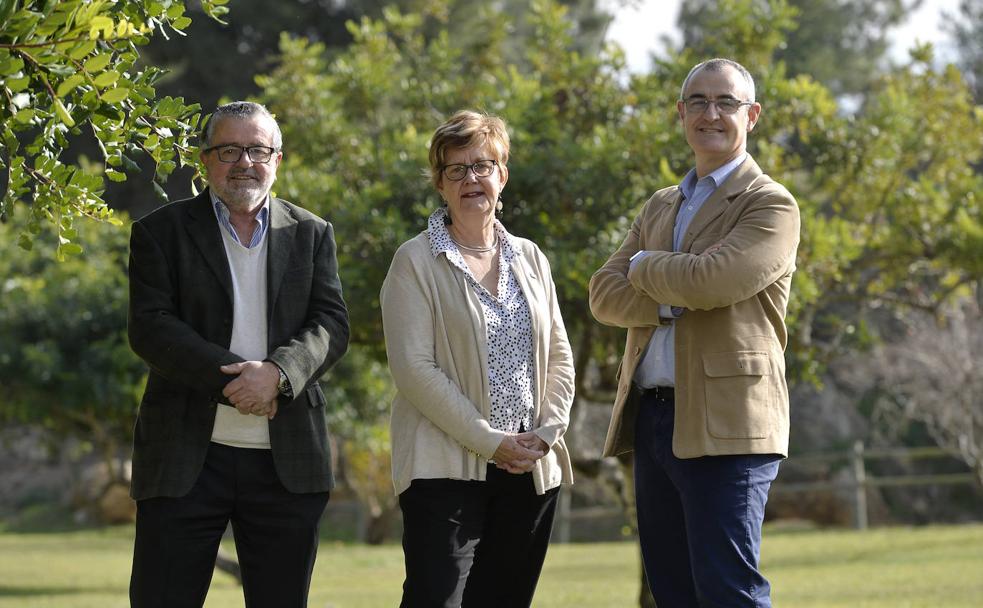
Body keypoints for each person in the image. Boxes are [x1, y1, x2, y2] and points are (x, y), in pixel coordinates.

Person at [589, 58, 800, 607]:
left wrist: (641, 266)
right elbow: (602, 295)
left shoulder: (771, 204)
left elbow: (711, 282)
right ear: (681, 114)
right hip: (654, 418)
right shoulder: (663, 202)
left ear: (751, 115)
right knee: (672, 592)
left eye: (726, 102)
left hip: (729, 423)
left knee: (728, 591)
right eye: (699, 102)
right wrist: (668, 293)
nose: (712, 113)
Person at [126, 101, 350, 607]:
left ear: (278, 159)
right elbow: (151, 327)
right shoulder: (159, 233)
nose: (244, 162)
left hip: (286, 460)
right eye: (229, 150)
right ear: (205, 160)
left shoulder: (312, 234)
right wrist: (236, 383)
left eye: (257, 150)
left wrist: (276, 375)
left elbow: (331, 324)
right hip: (184, 457)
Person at [380, 109, 576, 608]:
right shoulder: (414, 261)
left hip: (528, 469)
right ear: (440, 184)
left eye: (483, 165)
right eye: (456, 169)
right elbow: (414, 370)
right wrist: (491, 443)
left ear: (502, 175)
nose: (471, 178)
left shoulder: (531, 258)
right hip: (443, 471)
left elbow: (559, 355)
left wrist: (547, 433)